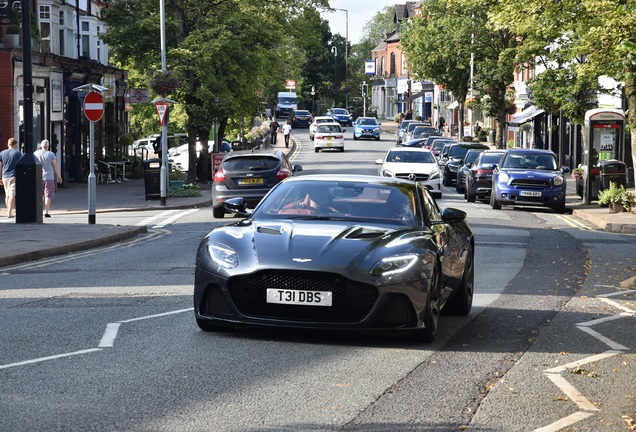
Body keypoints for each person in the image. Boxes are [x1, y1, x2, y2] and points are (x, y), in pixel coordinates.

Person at [34, 139, 63, 218]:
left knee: (39, 194)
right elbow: (55, 166)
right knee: (48, 194)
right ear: (48, 146)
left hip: (38, 176)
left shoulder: (36, 153)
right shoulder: (51, 154)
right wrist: (59, 176)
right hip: (49, 177)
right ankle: (46, 212)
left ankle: (38, 211)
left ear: (41, 146)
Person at [0, 137, 23, 218]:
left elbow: (0, 166)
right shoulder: (17, 153)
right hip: (14, 175)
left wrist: (0, 176)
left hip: (4, 176)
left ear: (8, 144)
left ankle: (8, 210)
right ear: (15, 145)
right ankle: (10, 212)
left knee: (7, 194)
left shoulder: (2, 153)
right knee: (12, 193)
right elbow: (22, 164)